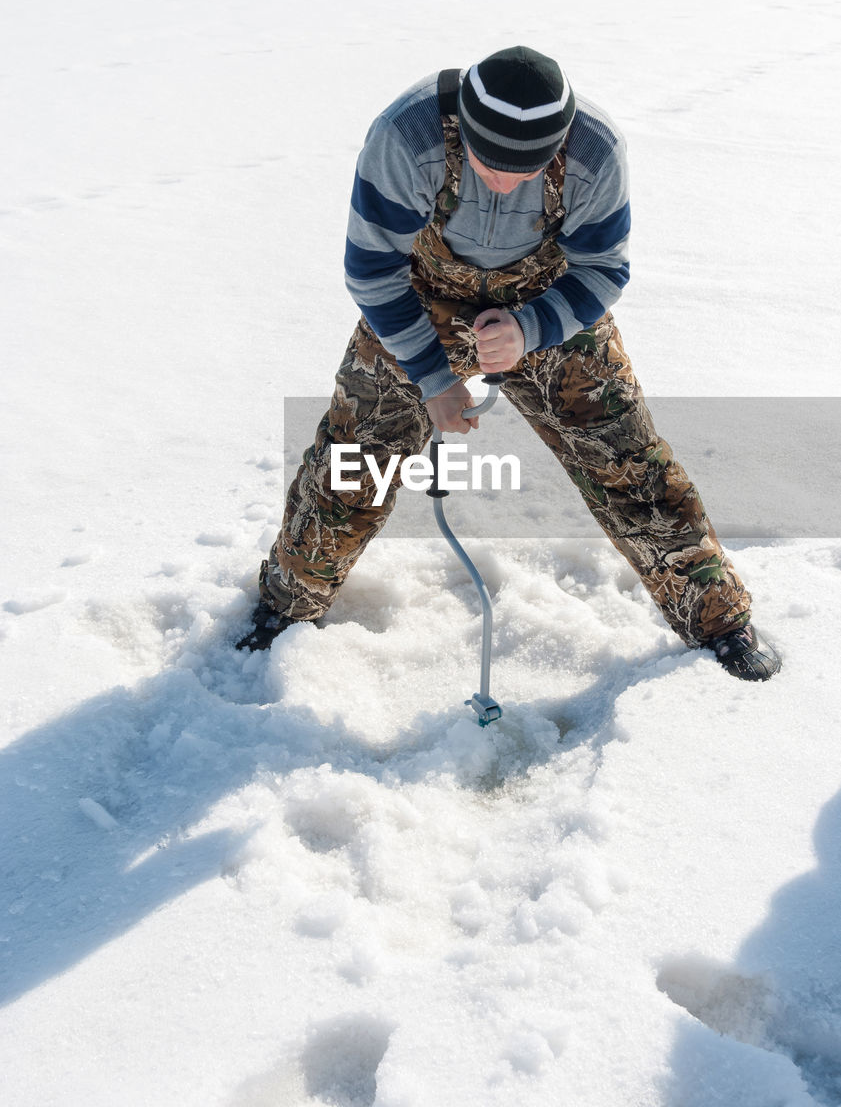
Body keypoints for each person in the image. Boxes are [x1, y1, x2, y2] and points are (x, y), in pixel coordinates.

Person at [238, 46, 780, 682]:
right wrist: (434, 379)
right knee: (355, 461)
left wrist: (530, 329)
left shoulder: (596, 151)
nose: (505, 182)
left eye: (528, 169)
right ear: (464, 130)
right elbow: (373, 269)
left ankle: (717, 619)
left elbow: (604, 268)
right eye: (488, 164)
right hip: (420, 301)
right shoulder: (406, 135)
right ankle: (287, 604)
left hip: (546, 300)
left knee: (627, 461)